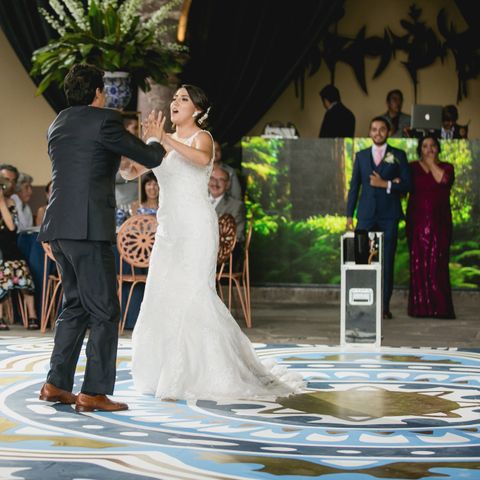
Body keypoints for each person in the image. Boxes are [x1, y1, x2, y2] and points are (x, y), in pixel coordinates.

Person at [122, 85, 304, 401]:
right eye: (174, 98)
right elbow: (130, 173)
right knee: (162, 296)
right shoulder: (158, 141)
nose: (175, 103)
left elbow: (200, 158)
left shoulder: (200, 138)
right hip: (168, 232)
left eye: (183, 99)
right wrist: (128, 147)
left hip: (196, 229)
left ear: (197, 110)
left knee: (194, 295)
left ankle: (209, 373)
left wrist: (163, 138)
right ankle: (164, 372)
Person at [37, 64, 165, 412]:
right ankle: (93, 392)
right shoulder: (104, 120)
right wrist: (154, 136)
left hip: (59, 228)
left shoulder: (58, 122)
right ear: (97, 92)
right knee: (105, 310)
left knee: (75, 306)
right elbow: (151, 157)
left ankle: (55, 384)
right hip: (88, 229)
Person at [346, 116, 412, 319]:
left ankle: (384, 306)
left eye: (382, 129)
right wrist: (350, 215)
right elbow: (354, 186)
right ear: (369, 132)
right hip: (365, 216)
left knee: (386, 261)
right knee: (362, 261)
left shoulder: (398, 155)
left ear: (389, 131)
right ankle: (363, 304)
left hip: (389, 216)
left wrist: (387, 184)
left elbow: (408, 185)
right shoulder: (361, 156)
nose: (378, 132)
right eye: (374, 129)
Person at [0, 170, 38, 330]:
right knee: (0, 268)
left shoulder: (9, 202)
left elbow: (12, 227)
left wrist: (0, 203)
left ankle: (32, 315)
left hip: (9, 248)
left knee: (22, 267)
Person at [406, 136, 456, 318]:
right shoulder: (411, 168)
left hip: (440, 222)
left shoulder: (448, 167)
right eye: (425, 146)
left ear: (438, 148)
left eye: (433, 146)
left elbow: (443, 181)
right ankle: (420, 309)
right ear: (420, 149)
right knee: (418, 263)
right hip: (417, 221)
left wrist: (431, 163)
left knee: (438, 262)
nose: (429, 149)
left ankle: (441, 308)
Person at [209, 165, 245, 243]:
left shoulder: (236, 206)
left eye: (221, 180)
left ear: (227, 184)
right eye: (212, 178)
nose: (215, 183)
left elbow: (238, 237)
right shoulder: (198, 201)